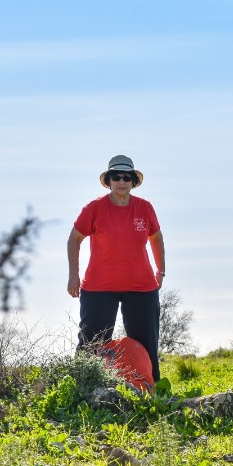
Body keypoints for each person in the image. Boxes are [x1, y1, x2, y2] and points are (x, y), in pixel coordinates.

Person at [67, 155, 165, 383]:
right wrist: (73, 275)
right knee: (92, 342)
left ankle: (153, 389)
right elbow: (74, 239)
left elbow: (156, 238)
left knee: (146, 342)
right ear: (108, 181)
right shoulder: (94, 208)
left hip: (141, 288)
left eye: (126, 177)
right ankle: (81, 388)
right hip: (99, 288)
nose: (121, 181)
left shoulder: (145, 208)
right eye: (116, 177)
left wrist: (160, 270)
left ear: (133, 181)